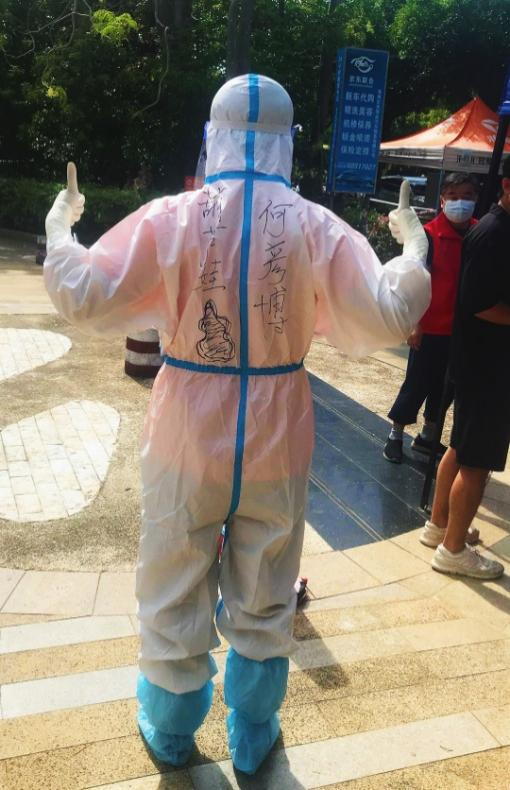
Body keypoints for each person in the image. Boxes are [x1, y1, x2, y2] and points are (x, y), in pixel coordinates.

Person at [43, 74, 430, 774]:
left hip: (187, 422)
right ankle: (254, 734)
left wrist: (60, 227)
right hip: (279, 424)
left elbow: (84, 291)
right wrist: (411, 248)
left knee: (173, 573)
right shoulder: (313, 224)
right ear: (287, 141)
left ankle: (170, 727)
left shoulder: (173, 217)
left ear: (212, 136)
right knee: (267, 582)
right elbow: (389, 312)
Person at [420, 157, 510, 579]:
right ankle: (453, 550)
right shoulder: (494, 234)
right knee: (476, 463)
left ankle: (440, 526)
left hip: (478, 363)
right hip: (487, 368)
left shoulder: (492, 229)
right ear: (506, 186)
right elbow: (479, 304)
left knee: (460, 449)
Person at [384, 172, 479, 466]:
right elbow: (414, 281)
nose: (460, 202)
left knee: (445, 388)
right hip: (429, 327)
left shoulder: (479, 233)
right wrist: (415, 323)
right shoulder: (428, 235)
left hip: (461, 331)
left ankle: (428, 436)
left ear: (476, 199)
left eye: (467, 196)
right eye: (453, 196)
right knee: (417, 384)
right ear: (442, 200)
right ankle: (395, 435)